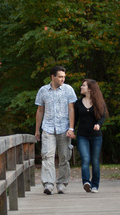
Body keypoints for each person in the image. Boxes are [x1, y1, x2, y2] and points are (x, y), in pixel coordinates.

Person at [35, 66, 77, 195]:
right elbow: (40, 110)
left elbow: (71, 110)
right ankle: (48, 184)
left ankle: (61, 184)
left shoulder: (68, 89)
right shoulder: (43, 90)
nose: (63, 79)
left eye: (64, 77)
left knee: (64, 157)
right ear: (53, 77)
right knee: (47, 156)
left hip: (64, 128)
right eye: (60, 76)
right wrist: (37, 130)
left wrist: (71, 128)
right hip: (47, 128)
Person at [74, 79, 109, 193]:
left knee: (95, 161)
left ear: (90, 88)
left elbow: (103, 117)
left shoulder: (99, 102)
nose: (81, 87)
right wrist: (71, 130)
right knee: (85, 159)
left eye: (83, 85)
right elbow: (75, 119)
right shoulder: (78, 103)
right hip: (82, 136)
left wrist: (98, 125)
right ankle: (86, 182)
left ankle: (95, 185)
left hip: (96, 136)